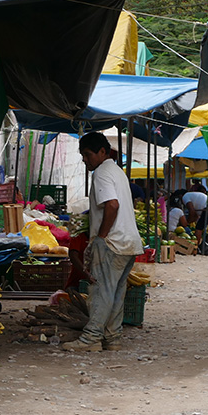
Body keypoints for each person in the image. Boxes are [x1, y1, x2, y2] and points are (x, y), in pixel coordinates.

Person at [62, 132, 143, 352]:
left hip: (113, 244)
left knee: (101, 291)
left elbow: (112, 205)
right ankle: (112, 338)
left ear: (102, 152)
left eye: (88, 155)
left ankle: (91, 338)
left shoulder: (102, 173)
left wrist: (101, 237)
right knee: (116, 293)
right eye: (82, 155)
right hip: (128, 243)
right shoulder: (117, 171)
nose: (85, 160)